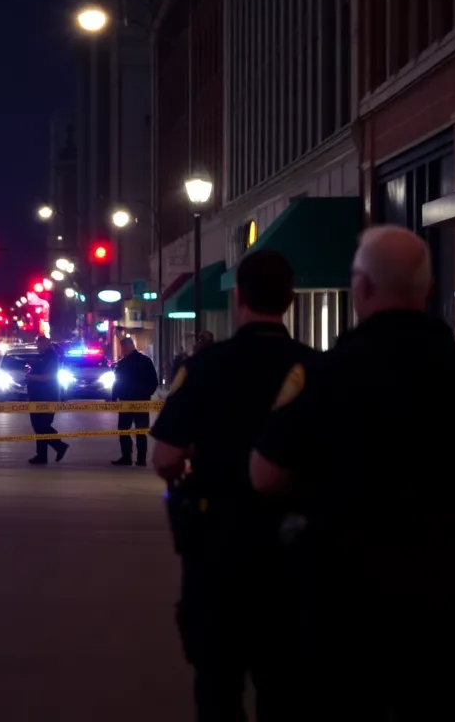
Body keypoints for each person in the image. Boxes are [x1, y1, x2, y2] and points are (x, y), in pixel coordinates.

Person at [251, 226, 455, 721]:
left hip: (345, 597)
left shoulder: (324, 374)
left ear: (360, 288)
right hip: (451, 596)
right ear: (425, 290)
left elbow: (267, 475)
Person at [148, 248, 312, 721]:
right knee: (285, 688)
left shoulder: (203, 367)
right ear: (292, 301)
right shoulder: (314, 368)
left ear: (237, 296)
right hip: (294, 549)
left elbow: (165, 457)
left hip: (218, 545)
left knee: (218, 686)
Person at [111, 336, 158, 466]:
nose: (123, 349)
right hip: (126, 402)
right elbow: (117, 382)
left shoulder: (144, 361)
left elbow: (153, 382)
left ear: (131, 346)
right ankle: (127, 457)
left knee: (140, 430)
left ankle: (141, 459)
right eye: (122, 347)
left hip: (139, 402)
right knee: (124, 430)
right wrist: (115, 397)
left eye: (124, 347)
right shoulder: (122, 363)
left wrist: (144, 395)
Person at [25, 334, 69, 464]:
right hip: (37, 397)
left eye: (40, 344)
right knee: (38, 427)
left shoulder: (52, 357)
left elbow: (48, 377)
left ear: (46, 343)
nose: (37, 347)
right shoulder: (42, 357)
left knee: (42, 425)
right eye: (37, 344)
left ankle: (60, 446)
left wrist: (32, 377)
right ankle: (41, 455)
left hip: (47, 397)